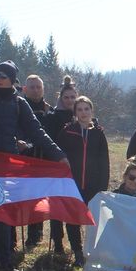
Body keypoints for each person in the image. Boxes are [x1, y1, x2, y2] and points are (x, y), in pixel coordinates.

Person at [0, 61, 68, 271]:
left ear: (12, 80)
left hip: (6, 165)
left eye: (3, 75)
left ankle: (4, 262)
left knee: (2, 212)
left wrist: (58, 155)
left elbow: (37, 132)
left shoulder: (19, 103)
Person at [53, 95, 109, 267]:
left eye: (86, 109)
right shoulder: (67, 131)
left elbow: (104, 162)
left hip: (93, 184)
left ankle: (92, 250)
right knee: (73, 219)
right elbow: (58, 157)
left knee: (93, 220)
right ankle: (77, 251)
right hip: (72, 184)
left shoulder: (98, 133)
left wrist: (103, 186)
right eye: (80, 109)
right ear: (75, 112)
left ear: (91, 111)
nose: (83, 113)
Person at [38, 76, 80, 253]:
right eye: (66, 97)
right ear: (60, 98)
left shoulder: (82, 116)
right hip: (56, 167)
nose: (70, 101)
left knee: (71, 206)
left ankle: (76, 246)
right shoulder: (52, 118)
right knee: (56, 208)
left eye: (72, 97)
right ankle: (58, 245)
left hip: (76, 168)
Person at [21, 74, 54, 250]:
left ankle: (35, 237)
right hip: (23, 161)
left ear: (43, 89)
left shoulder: (50, 110)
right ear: (25, 89)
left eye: (38, 87)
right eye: (32, 87)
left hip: (44, 160)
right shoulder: (18, 107)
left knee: (39, 199)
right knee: (21, 199)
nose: (35, 90)